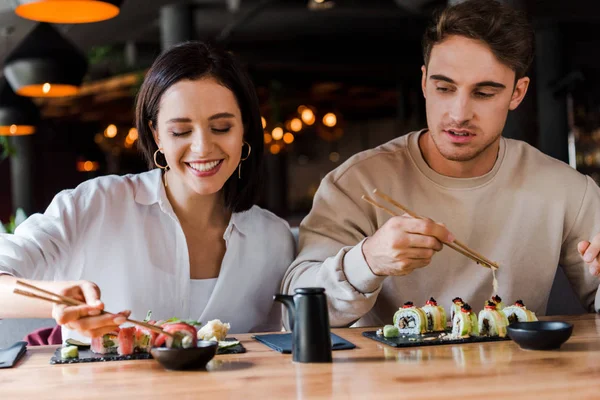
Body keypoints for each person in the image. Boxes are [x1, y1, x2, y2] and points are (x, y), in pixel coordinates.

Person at [282, 0, 600, 327]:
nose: (459, 113)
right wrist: (368, 261)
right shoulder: (356, 183)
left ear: (517, 93)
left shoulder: (564, 190)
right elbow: (294, 312)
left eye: (484, 93)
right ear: (424, 82)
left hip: (521, 376)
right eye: (444, 88)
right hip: (389, 378)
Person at [0, 41, 295, 341]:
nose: (203, 148)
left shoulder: (273, 239)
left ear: (244, 129)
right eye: (180, 131)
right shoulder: (95, 205)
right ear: (156, 135)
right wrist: (55, 298)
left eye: (221, 128)